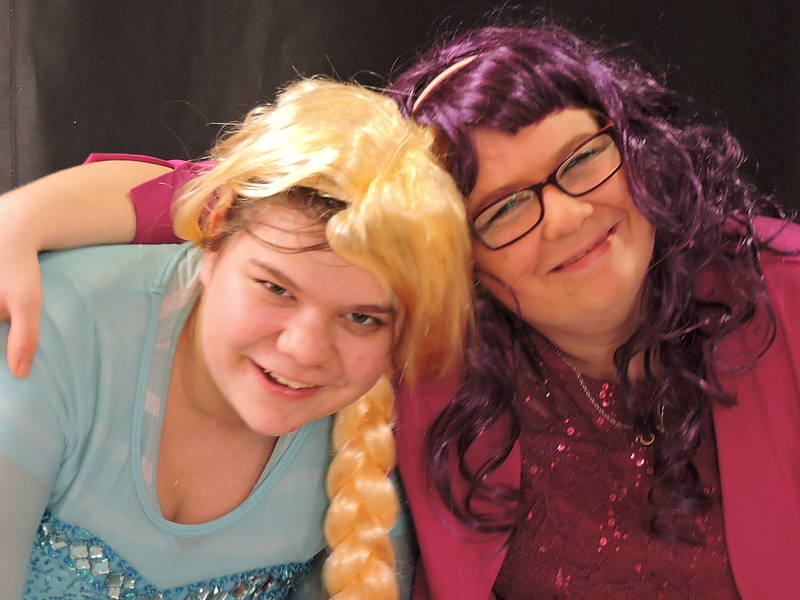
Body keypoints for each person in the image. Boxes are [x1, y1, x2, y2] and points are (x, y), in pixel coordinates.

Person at [1, 21, 799, 600]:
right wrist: (20, 217)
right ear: (457, 263)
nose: (564, 217)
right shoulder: (431, 346)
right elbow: (269, 203)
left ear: (635, 147)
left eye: (582, 159)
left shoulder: (783, 291)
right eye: (505, 208)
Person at [0, 78, 472, 600]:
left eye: (362, 318)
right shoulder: (55, 331)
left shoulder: (375, 444)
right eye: (276, 288)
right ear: (215, 236)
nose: (304, 350)